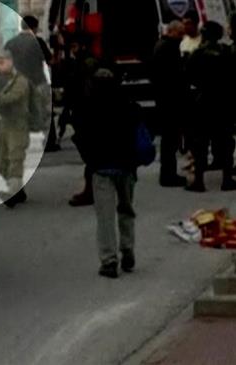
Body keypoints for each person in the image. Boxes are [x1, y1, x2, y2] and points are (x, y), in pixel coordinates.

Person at [79, 68, 139, 279]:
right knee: (126, 209)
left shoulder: (89, 106)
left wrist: (90, 160)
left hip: (102, 167)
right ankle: (128, 249)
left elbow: (82, 137)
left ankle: (109, 260)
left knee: (105, 217)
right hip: (126, 166)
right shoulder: (128, 104)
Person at [185, 21, 236, 192]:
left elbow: (189, 77)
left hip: (203, 100)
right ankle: (227, 179)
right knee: (226, 141)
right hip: (224, 101)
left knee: (200, 142)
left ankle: (199, 181)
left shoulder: (197, 54)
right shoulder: (227, 52)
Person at [0, 50, 31, 207]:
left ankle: (13, 193)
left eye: (1, 63)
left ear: (10, 62)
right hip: (4, 123)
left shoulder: (21, 81)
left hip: (18, 124)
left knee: (15, 158)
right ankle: (17, 189)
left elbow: (11, 98)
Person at [63, 33, 99, 207]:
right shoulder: (81, 63)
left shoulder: (87, 63)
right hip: (82, 112)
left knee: (91, 154)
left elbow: (85, 91)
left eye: (75, 47)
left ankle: (91, 192)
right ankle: (92, 190)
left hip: (87, 114)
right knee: (90, 154)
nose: (73, 51)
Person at [151, 21, 187, 187]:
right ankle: (168, 175)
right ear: (172, 32)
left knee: (169, 140)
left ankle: (168, 173)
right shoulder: (169, 48)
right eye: (180, 33)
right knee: (170, 140)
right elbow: (176, 76)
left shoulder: (162, 46)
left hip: (165, 99)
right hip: (170, 101)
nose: (182, 37)